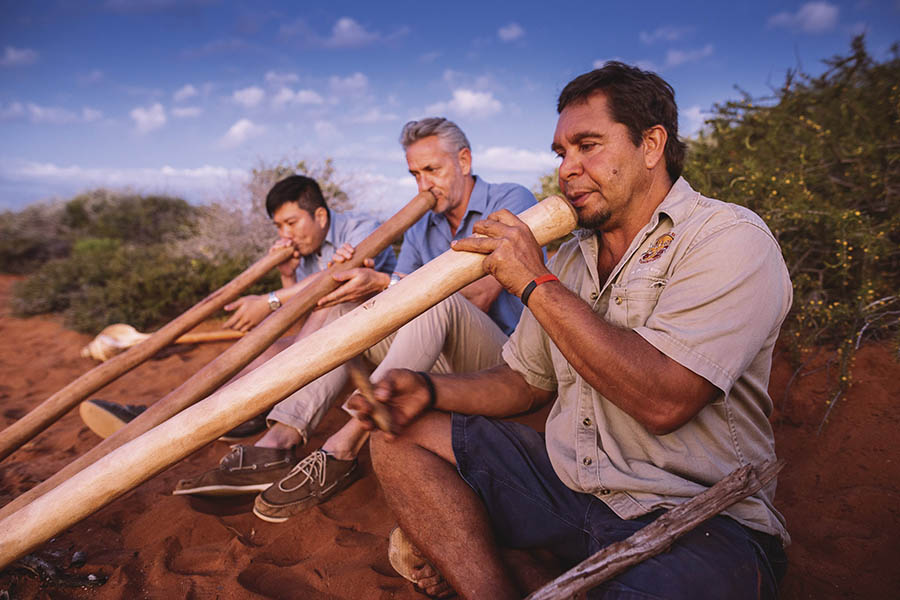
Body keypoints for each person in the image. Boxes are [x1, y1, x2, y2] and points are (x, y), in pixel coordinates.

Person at [354, 62, 791, 599]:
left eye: (589, 146)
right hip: (574, 492)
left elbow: (665, 400)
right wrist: (427, 390)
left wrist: (534, 280)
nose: (568, 169)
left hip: (696, 516)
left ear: (651, 145)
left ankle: (518, 562)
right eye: (562, 153)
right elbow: (524, 382)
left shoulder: (728, 239)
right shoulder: (572, 258)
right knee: (399, 439)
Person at [174, 118, 539, 526]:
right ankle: (280, 439)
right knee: (344, 309)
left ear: (464, 160)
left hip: (502, 363)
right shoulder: (421, 224)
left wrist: (386, 281)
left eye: (432, 171)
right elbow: (397, 298)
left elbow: (479, 294)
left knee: (436, 300)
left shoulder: (512, 199)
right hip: (436, 357)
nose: (423, 186)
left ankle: (344, 446)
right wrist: (367, 284)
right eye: (415, 175)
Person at [79, 173, 396, 442]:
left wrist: (268, 300)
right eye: (278, 226)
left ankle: (200, 417)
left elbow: (335, 284)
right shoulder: (307, 249)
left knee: (304, 328)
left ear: (321, 217)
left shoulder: (362, 229)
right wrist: (287, 276)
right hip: (335, 342)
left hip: (384, 341)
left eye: (290, 223)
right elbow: (303, 321)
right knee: (266, 351)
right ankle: (172, 412)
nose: (285, 235)